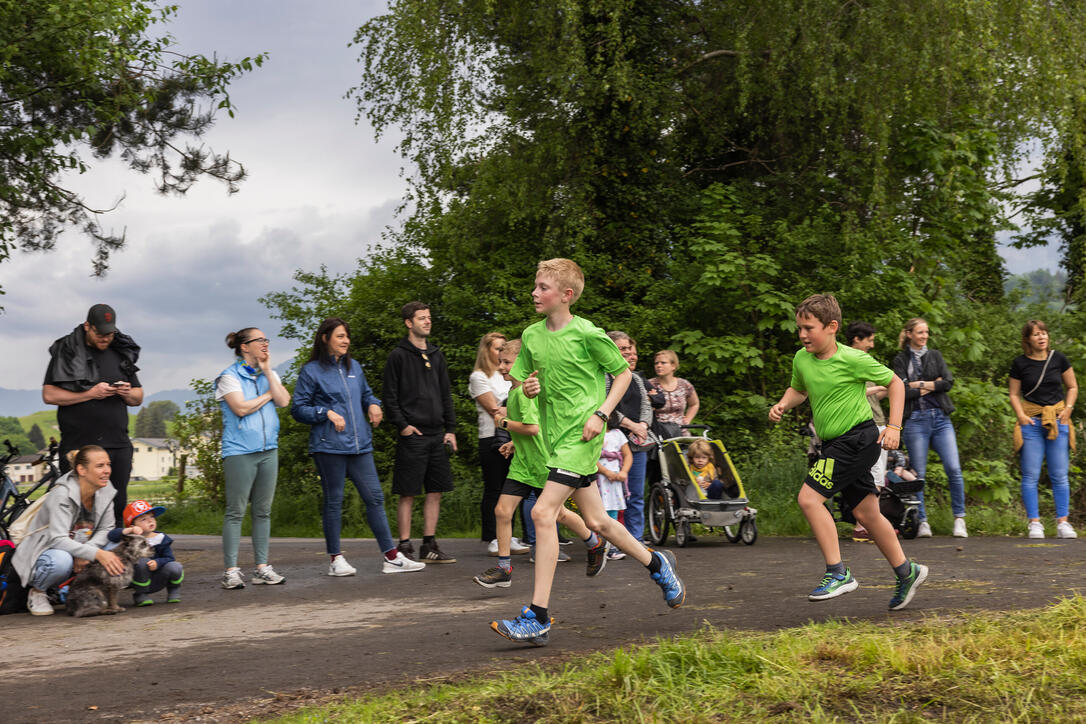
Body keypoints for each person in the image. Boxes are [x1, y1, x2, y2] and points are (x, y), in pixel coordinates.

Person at [491, 258, 685, 646]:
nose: (534, 292)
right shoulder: (531, 335)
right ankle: (656, 562)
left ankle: (537, 616)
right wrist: (528, 387)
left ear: (566, 295)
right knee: (598, 521)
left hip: (582, 437)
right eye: (535, 285)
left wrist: (601, 413)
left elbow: (624, 374)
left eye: (542, 287)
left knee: (543, 512)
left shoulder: (588, 333)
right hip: (554, 438)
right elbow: (523, 377)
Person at [769, 293, 927, 611]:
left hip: (857, 440)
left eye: (808, 328)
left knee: (809, 499)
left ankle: (838, 572)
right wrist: (785, 403)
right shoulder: (802, 358)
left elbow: (896, 383)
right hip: (833, 444)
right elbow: (799, 388)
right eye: (799, 328)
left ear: (832, 327)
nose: (802, 335)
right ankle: (906, 572)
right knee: (867, 514)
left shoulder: (852, 359)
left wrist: (894, 428)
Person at [291, 318, 427, 576]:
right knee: (334, 502)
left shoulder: (355, 367)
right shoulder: (311, 371)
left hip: (359, 445)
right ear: (325, 339)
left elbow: (366, 394)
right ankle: (335, 560)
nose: (346, 341)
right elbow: (299, 409)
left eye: (347, 336)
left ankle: (391, 557)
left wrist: (373, 404)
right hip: (329, 447)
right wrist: (326, 412)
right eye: (340, 336)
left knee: (375, 498)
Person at [473, 339, 597, 588]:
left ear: (522, 364)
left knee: (560, 513)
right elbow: (531, 431)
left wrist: (503, 424)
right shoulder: (513, 392)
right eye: (500, 362)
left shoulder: (524, 394)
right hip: (522, 465)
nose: (502, 367)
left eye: (507, 362)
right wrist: (514, 443)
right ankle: (504, 569)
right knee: (502, 511)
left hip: (542, 465)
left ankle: (594, 542)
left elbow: (532, 428)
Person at [42, 304, 143, 526]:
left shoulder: (120, 352)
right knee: (80, 510)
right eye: (100, 333)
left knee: (116, 505)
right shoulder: (67, 352)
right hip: (80, 446)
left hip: (117, 443)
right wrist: (90, 394)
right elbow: (49, 395)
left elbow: (138, 396)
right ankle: (79, 558)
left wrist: (127, 393)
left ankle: (112, 558)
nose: (105, 339)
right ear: (88, 326)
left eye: (110, 334)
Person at [216, 327, 291, 589]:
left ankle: (262, 567)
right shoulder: (228, 376)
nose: (265, 344)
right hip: (239, 452)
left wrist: (269, 373)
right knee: (236, 512)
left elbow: (284, 401)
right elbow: (240, 408)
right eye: (260, 340)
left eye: (267, 340)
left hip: (268, 450)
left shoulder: (269, 374)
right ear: (244, 346)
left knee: (263, 511)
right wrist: (269, 393)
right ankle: (231, 571)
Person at [383, 302, 458, 564]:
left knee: (435, 490)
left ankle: (429, 545)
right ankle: (404, 546)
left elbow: (445, 394)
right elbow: (389, 397)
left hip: (437, 433)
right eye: (421, 318)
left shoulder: (437, 355)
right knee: (408, 491)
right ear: (408, 322)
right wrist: (403, 426)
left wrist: (450, 429)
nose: (427, 321)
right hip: (412, 434)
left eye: (429, 317)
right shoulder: (398, 356)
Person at [12, 446, 126, 616]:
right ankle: (38, 591)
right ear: (82, 470)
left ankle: (86, 590)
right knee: (61, 561)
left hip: (81, 547)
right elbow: (57, 539)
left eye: (108, 465)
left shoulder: (105, 489)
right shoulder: (62, 494)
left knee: (118, 545)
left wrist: (88, 552)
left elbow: (107, 528)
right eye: (100, 466)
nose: (107, 471)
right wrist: (95, 553)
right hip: (47, 549)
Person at [891, 318, 967, 538]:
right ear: (909, 334)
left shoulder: (935, 355)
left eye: (926, 332)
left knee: (954, 469)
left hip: (941, 418)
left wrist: (919, 384)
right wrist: (932, 385)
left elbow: (948, 383)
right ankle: (922, 521)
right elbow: (902, 390)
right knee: (918, 473)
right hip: (915, 419)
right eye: (920, 332)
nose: (924, 336)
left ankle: (959, 519)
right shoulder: (900, 359)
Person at [1008, 320, 1078, 539]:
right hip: (1031, 422)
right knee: (1031, 475)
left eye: (1044, 333)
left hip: (1058, 420)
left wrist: (1068, 408)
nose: (1042, 337)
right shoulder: (1020, 363)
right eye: (1036, 334)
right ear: (1028, 339)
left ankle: (1063, 522)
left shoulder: (1059, 359)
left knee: (1059, 475)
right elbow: (1013, 394)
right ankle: (1034, 523)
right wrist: (1020, 415)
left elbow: (1072, 386)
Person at [469, 332, 528, 555]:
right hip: (492, 437)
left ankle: (510, 536)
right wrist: (512, 408)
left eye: (504, 349)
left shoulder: (510, 374)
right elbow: (494, 409)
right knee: (495, 488)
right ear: (487, 351)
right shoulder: (479, 376)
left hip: (514, 435)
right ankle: (493, 537)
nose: (501, 352)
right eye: (497, 348)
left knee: (512, 489)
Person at [605, 331, 654, 543]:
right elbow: (607, 405)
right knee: (609, 497)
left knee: (636, 494)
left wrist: (642, 426)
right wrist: (631, 424)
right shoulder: (603, 377)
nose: (628, 352)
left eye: (628, 348)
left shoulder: (634, 378)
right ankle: (612, 540)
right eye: (623, 348)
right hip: (611, 444)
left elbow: (646, 404)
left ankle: (635, 538)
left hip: (637, 443)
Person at [845, 321, 889, 541]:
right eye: (869, 340)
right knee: (875, 476)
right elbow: (850, 392)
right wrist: (881, 386)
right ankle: (865, 526)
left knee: (876, 475)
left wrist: (887, 391)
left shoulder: (864, 361)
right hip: (868, 425)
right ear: (857, 339)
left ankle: (866, 524)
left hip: (877, 420)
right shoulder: (850, 361)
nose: (871, 345)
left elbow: (869, 394)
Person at [107, 499, 184, 606]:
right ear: (133, 525)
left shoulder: (161, 538)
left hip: (159, 576)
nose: (150, 521)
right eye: (143, 519)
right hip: (138, 578)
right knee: (142, 562)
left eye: (152, 517)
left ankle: (173, 590)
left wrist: (158, 562)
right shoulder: (131, 539)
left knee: (175, 566)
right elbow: (111, 536)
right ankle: (141, 594)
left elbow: (169, 558)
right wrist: (129, 531)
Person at [596, 420, 631, 559]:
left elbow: (627, 455)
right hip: (600, 479)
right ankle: (599, 546)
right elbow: (591, 456)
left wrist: (624, 471)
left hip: (615, 480)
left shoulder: (618, 434)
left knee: (613, 511)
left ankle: (612, 547)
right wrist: (605, 472)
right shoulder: (595, 432)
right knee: (598, 512)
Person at [650, 350, 700, 438]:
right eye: (656, 363)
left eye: (663, 363)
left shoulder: (684, 384)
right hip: (658, 433)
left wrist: (688, 419)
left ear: (673, 366)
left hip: (682, 432)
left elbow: (694, 404)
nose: (658, 366)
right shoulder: (649, 385)